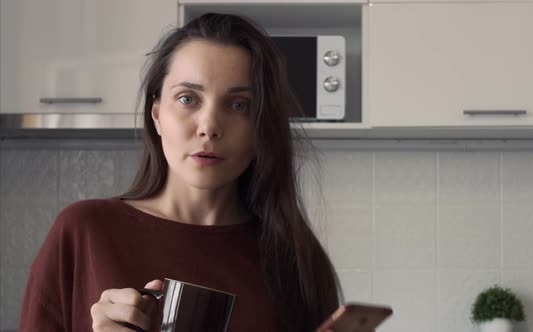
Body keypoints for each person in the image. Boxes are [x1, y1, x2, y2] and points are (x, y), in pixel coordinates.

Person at [19, 13, 341, 332]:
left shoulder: (298, 261)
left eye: (239, 105)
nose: (209, 127)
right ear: (157, 114)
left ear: (261, 128)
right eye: (188, 98)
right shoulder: (82, 232)